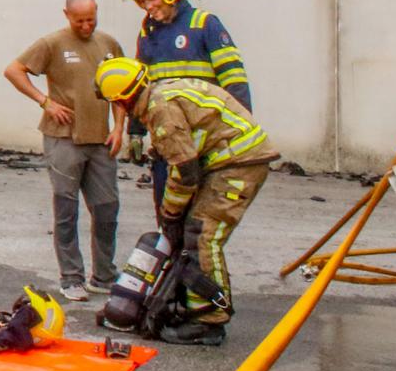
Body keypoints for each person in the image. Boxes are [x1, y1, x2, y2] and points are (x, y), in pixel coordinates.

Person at [93, 56, 277, 347]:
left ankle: (209, 320)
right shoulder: (161, 93)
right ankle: (192, 306)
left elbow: (185, 171)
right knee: (194, 233)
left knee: (203, 234)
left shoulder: (160, 108)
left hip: (238, 164)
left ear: (122, 100)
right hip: (229, 161)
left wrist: (170, 213)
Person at [3, 0, 125, 301]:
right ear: (67, 15)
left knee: (107, 208)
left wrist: (119, 127)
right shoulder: (52, 44)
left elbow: (121, 89)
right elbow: (14, 71)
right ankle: (71, 277)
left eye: (91, 19)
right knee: (67, 209)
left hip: (100, 139)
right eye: (80, 20)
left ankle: (104, 275)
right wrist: (45, 102)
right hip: (64, 139)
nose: (86, 26)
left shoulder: (109, 44)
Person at [122, 0, 253, 210]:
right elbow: (141, 88)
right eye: (141, 1)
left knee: (201, 223)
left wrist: (240, 136)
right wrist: (135, 131)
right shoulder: (147, 35)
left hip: (206, 145)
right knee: (168, 218)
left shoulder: (205, 25)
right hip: (168, 145)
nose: (147, 6)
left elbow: (235, 82)